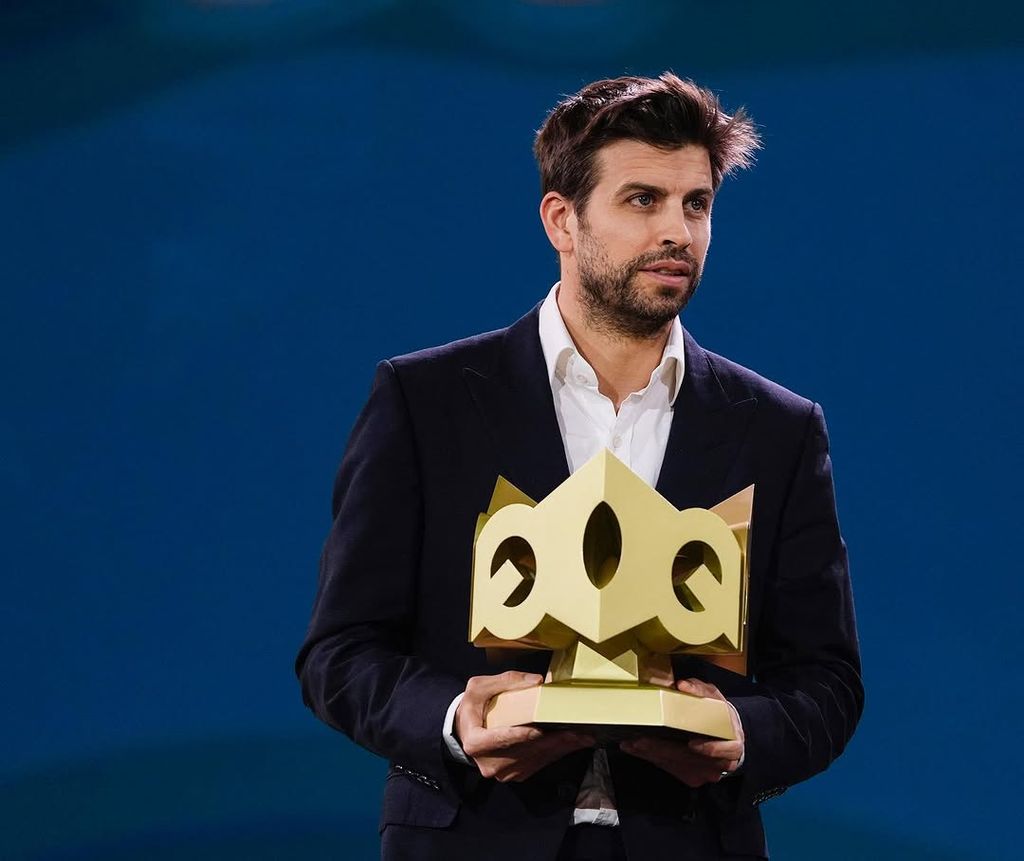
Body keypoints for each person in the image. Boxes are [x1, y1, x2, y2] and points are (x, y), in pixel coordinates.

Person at [296, 73, 863, 860]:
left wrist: (736, 732)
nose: (679, 231)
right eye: (642, 200)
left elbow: (827, 681)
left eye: (696, 204)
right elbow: (340, 651)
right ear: (562, 219)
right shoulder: (425, 402)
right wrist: (459, 717)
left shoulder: (780, 428)